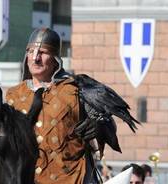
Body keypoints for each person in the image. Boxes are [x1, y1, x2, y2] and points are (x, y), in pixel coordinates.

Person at [5, 28, 99, 184]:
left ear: (55, 59)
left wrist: (98, 125)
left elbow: (107, 122)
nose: (36, 58)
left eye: (42, 52)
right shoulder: (13, 96)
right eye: (31, 51)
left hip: (69, 178)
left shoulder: (73, 91)